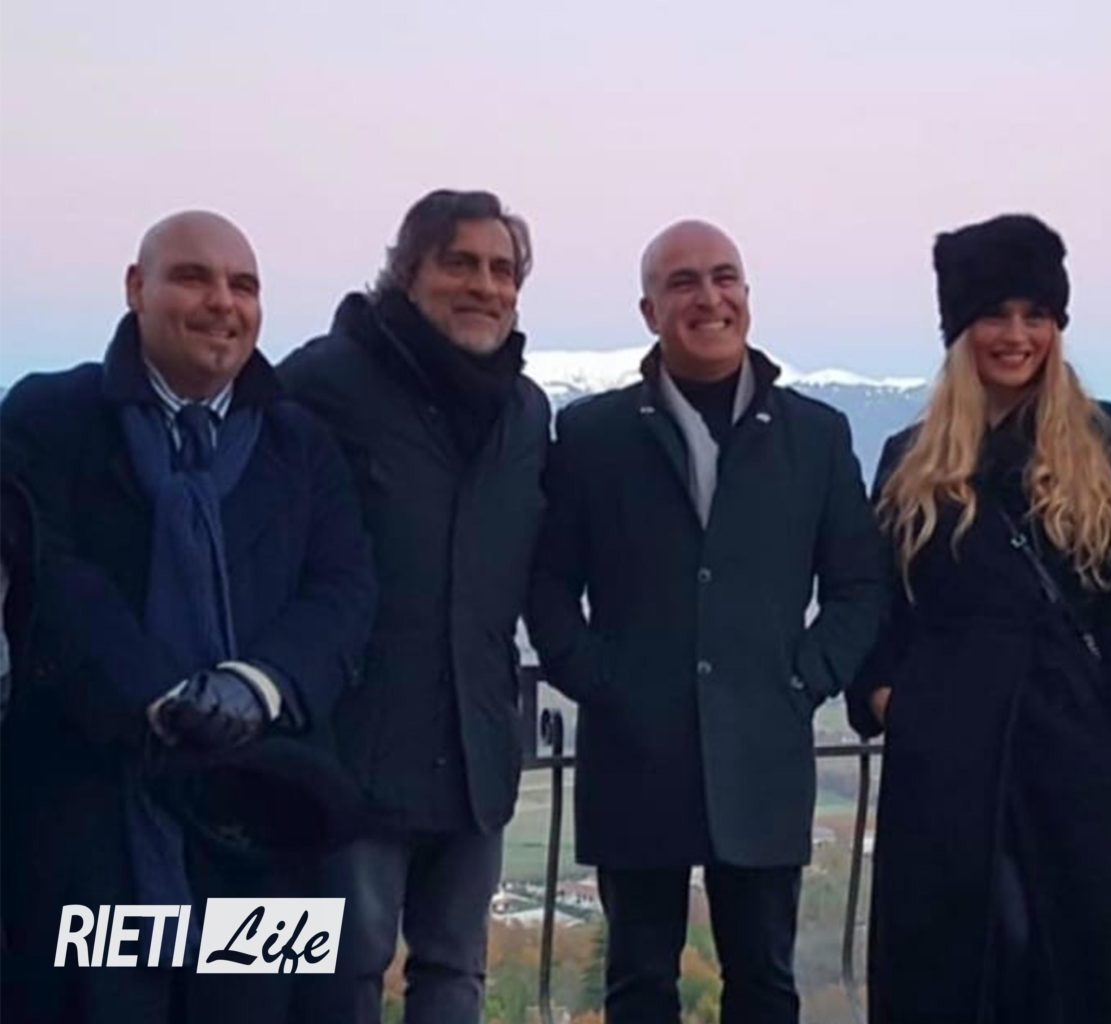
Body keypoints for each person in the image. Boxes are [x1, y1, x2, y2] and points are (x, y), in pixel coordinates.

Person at [0, 210, 376, 1024]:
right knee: (104, 1004)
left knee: (256, 1010)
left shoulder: (300, 442)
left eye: (244, 286)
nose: (223, 303)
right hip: (97, 811)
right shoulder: (47, 417)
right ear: (137, 289)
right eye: (193, 278)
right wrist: (161, 701)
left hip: (266, 817)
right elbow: (50, 579)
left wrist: (255, 687)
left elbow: (343, 589)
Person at [526, 219, 885, 1024]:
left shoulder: (816, 436)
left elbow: (860, 585)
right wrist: (598, 680)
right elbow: (548, 584)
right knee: (637, 985)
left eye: (725, 278)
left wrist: (805, 680)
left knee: (764, 982)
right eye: (682, 282)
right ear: (648, 311)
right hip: (633, 750)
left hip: (765, 750)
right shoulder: (591, 435)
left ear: (748, 296)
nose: (709, 297)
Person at [847, 214, 1111, 1023]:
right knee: (955, 971)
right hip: (947, 761)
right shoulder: (910, 461)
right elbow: (880, 610)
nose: (1016, 336)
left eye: (1036, 315)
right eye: (994, 314)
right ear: (961, 329)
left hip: (1076, 755)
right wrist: (891, 700)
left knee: (1074, 972)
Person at [280, 189, 549, 1024]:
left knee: (456, 972)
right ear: (407, 273)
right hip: (352, 747)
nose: (485, 286)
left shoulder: (525, 411)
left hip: (475, 750)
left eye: (502, 270)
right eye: (459, 263)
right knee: (339, 971)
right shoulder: (323, 384)